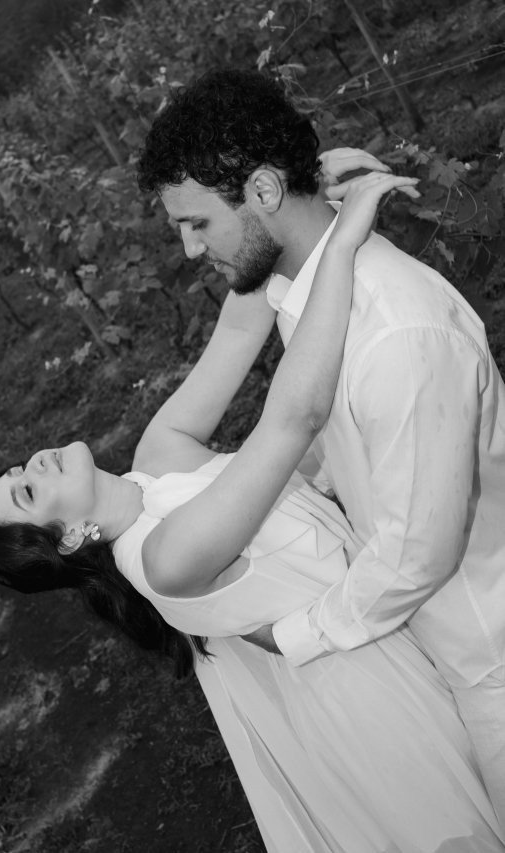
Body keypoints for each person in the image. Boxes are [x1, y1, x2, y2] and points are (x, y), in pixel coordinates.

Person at [0, 173, 505, 851]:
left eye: (16, 469)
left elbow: (242, 321)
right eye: (26, 492)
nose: (33, 464)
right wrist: (341, 245)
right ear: (72, 536)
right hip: (374, 695)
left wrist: (293, 202)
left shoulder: (156, 455)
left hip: (394, 618)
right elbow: (292, 418)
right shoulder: (164, 559)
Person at [136, 67, 505, 827]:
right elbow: (350, 449)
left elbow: (418, 552)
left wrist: (293, 633)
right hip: (450, 654)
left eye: (197, 222)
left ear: (264, 190)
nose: (188, 248)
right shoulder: (306, 303)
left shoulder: (394, 331)